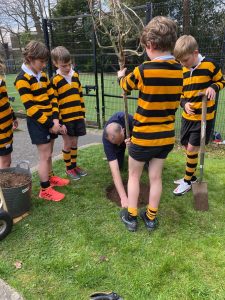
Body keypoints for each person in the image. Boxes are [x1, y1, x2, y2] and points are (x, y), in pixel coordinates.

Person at [117, 16, 183, 232]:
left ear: (151, 45)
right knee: (156, 177)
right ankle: (151, 217)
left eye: (145, 46)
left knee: (134, 176)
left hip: (144, 136)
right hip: (165, 136)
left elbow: (126, 86)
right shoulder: (179, 71)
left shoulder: (144, 69)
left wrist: (120, 76)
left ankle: (132, 215)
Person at [15, 41, 69, 202]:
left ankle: (50, 178)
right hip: (38, 124)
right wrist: (50, 124)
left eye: (45, 61)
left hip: (50, 122)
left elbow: (52, 97)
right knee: (44, 156)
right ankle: (45, 190)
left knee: (50, 153)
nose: (44, 65)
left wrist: (55, 119)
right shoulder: (22, 79)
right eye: (41, 61)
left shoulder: (43, 76)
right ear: (30, 58)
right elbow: (30, 108)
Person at [173, 35, 225, 196]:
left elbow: (222, 81)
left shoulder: (210, 65)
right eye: (180, 61)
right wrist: (184, 104)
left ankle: (188, 181)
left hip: (204, 118)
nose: (183, 64)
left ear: (195, 53)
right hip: (187, 117)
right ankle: (192, 176)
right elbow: (179, 94)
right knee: (186, 147)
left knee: (192, 148)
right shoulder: (182, 70)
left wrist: (213, 88)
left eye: (185, 60)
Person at [51, 46, 87, 180]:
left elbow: (80, 96)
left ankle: (74, 165)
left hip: (77, 116)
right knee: (67, 143)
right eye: (63, 65)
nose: (67, 68)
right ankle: (68, 169)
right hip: (65, 120)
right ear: (56, 64)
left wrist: (83, 115)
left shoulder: (76, 76)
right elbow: (54, 103)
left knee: (75, 143)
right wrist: (60, 122)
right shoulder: (54, 81)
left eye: (69, 64)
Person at [103, 111, 133, 208]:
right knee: (118, 166)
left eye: (119, 141)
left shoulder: (129, 120)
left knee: (143, 159)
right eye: (115, 143)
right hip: (120, 140)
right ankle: (120, 151)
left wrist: (134, 143)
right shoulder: (107, 139)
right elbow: (114, 170)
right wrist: (123, 197)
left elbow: (143, 134)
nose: (118, 144)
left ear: (123, 130)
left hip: (131, 138)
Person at [0, 58, 18, 168]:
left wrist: (13, 117)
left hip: (6, 127)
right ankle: (4, 185)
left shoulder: (1, 81)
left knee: (6, 161)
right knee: (6, 162)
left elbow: (5, 102)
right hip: (2, 130)